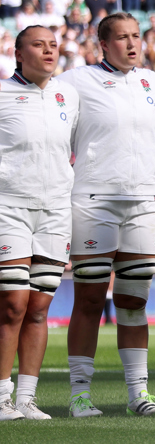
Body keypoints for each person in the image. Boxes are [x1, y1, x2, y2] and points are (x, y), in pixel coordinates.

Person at [60, 12, 155, 418]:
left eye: (136, 36)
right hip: (93, 200)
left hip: (143, 202)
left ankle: (137, 394)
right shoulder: (75, 82)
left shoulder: (154, 83)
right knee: (89, 298)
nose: (131, 44)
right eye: (121, 38)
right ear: (102, 45)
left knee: (132, 301)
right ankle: (79, 395)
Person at [0, 27, 80, 420]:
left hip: (54, 212)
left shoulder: (68, 96)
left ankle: (27, 399)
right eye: (38, 45)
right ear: (17, 53)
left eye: (53, 45)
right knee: (12, 304)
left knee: (38, 306)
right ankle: (1, 397)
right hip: (8, 208)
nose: (49, 51)